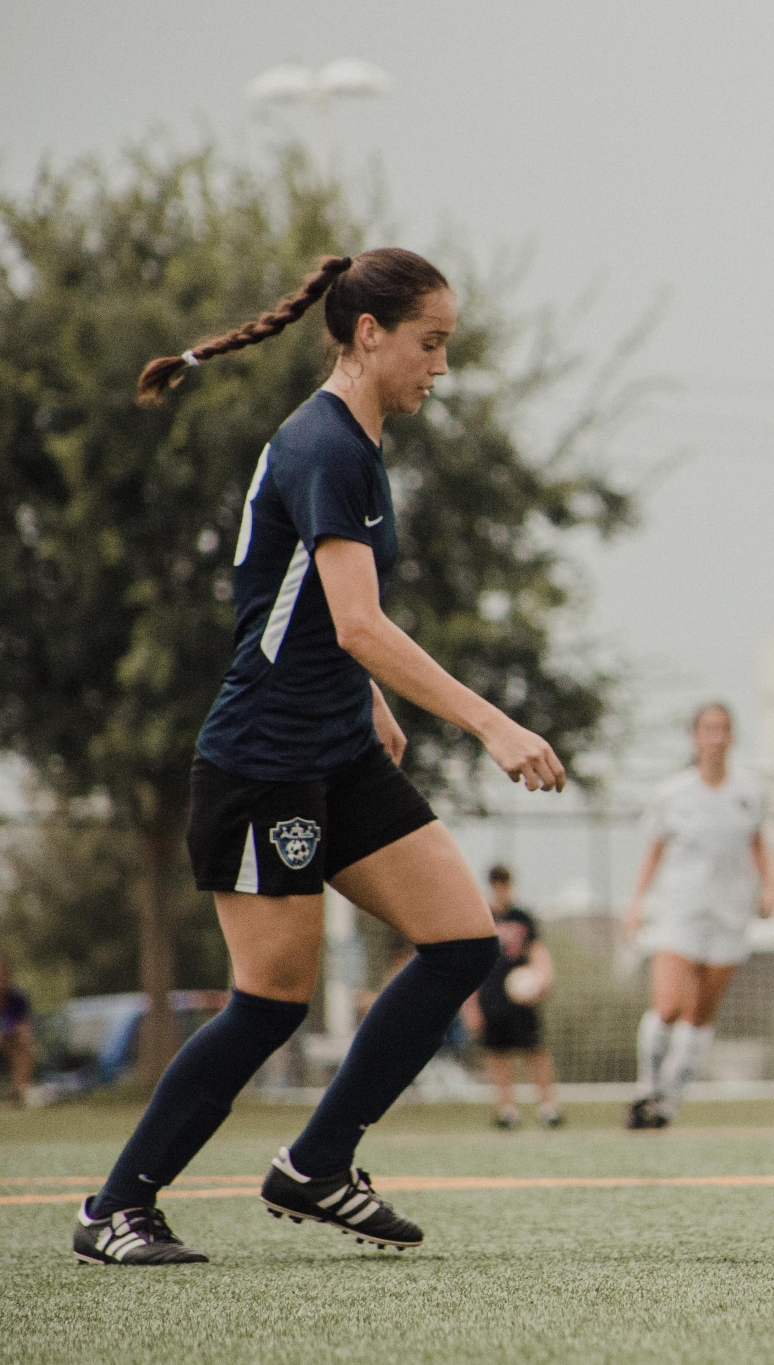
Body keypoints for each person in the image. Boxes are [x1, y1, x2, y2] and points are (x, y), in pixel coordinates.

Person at [74, 250, 568, 1267]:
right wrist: (492, 724)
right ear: (369, 334)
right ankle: (115, 1207)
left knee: (462, 943)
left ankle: (317, 1162)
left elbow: (293, 599)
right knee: (270, 1002)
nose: (441, 366)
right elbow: (356, 622)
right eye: (430, 343)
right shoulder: (327, 445)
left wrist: (368, 697)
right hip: (266, 761)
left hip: (336, 748)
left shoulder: (354, 442)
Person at [621, 702, 774, 1128]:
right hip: (679, 912)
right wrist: (636, 904)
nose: (716, 737)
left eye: (723, 729)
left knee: (700, 1015)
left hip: (729, 916)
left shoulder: (750, 792)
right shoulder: (672, 793)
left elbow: (757, 844)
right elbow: (653, 853)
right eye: (708, 728)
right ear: (695, 737)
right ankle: (646, 1089)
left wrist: (770, 887)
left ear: (732, 737)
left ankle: (668, 1103)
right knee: (668, 1007)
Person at [463, 869, 561, 1130]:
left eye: (505, 883)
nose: (501, 889)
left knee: (535, 1051)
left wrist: (544, 980)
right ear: (491, 886)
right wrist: (471, 1005)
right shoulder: (482, 917)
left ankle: (549, 1107)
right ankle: (507, 1109)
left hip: (521, 998)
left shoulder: (522, 918)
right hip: (491, 996)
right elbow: (472, 962)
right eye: (497, 884)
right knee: (498, 1054)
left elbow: (537, 951)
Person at [0, 955, 32, 1105]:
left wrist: (18, 1036)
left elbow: (23, 1026)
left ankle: (17, 1093)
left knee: (25, 1047)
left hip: (9, 1042)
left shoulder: (17, 998)